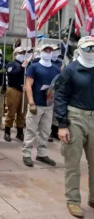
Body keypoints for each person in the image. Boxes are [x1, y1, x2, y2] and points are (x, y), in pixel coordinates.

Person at [55, 36, 94, 218]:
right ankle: (73, 200)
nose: (91, 51)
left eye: (93, 47)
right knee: (73, 163)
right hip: (75, 117)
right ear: (79, 49)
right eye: (87, 48)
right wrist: (62, 124)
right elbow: (60, 97)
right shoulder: (70, 70)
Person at [21, 44, 59, 168]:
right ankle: (26, 153)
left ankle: (42, 153)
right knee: (31, 130)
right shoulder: (34, 67)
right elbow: (28, 85)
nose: (48, 52)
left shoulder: (56, 68)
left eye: (50, 50)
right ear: (41, 52)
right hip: (36, 103)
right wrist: (31, 102)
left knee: (45, 131)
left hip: (49, 105)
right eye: (46, 50)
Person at [4, 47, 29, 142]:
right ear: (16, 54)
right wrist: (21, 67)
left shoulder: (27, 65)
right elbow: (11, 73)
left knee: (22, 112)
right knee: (11, 112)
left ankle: (20, 132)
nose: (23, 54)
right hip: (14, 90)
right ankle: (7, 131)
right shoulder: (12, 64)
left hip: (24, 90)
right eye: (21, 52)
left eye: (24, 52)